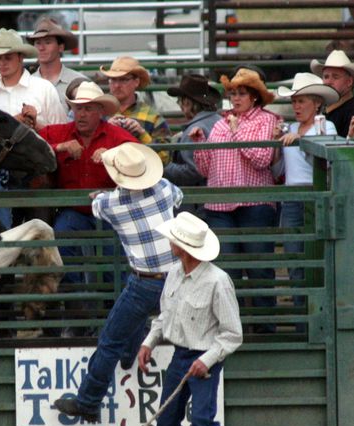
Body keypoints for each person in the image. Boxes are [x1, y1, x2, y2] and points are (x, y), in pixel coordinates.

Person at [53, 142, 182, 420]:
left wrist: (104, 193)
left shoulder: (112, 203)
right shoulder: (163, 189)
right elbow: (178, 196)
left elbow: (97, 205)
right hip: (176, 279)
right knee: (132, 321)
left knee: (110, 339)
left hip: (144, 282)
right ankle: (130, 353)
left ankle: (88, 401)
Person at [138, 211, 242, 426]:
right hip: (183, 354)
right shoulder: (174, 273)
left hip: (204, 358)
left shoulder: (218, 282)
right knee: (168, 422)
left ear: (182, 246)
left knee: (202, 422)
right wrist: (149, 342)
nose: (169, 241)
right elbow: (164, 317)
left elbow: (233, 334)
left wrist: (207, 360)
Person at [190, 67, 282, 333]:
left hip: (255, 204)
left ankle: (265, 331)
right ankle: (232, 331)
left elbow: (262, 159)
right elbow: (207, 170)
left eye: (242, 93)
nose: (236, 98)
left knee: (259, 271)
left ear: (254, 97)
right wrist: (200, 146)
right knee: (227, 274)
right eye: (233, 93)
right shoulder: (220, 123)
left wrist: (237, 132)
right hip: (219, 206)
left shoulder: (267, 120)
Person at [38, 81, 138, 293]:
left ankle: (112, 309)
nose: (81, 114)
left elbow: (141, 159)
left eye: (88, 109)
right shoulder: (59, 134)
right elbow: (33, 146)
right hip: (75, 210)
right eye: (78, 108)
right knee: (62, 241)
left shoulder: (117, 137)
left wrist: (113, 156)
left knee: (116, 260)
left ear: (100, 111)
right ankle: (79, 305)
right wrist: (59, 147)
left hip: (111, 208)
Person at [272, 73, 338, 331]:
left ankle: (316, 325)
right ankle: (303, 325)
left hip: (314, 197)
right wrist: (277, 147)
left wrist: (304, 142)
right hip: (292, 198)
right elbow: (278, 170)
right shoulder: (289, 130)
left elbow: (328, 163)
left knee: (317, 259)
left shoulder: (326, 128)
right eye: (295, 102)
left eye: (302, 101)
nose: (296, 107)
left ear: (317, 103)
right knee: (295, 261)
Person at [0, 28, 67, 130]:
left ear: (21, 57)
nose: (2, 63)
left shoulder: (45, 89)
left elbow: (61, 133)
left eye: (8, 57)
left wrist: (35, 125)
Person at [164, 74, 222, 215]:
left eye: (180, 101)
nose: (180, 105)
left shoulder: (194, 130)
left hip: (199, 202)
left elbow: (193, 171)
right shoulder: (220, 121)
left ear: (188, 103)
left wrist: (164, 168)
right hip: (218, 197)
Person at [100, 56, 171, 163]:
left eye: (123, 79)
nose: (117, 85)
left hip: (139, 175)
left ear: (136, 82)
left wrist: (141, 133)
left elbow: (165, 159)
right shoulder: (97, 112)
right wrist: (105, 128)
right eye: (113, 79)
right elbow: (84, 148)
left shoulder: (153, 117)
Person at [26, 17, 87, 113]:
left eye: (48, 42)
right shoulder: (26, 84)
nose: (41, 48)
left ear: (61, 47)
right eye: (38, 43)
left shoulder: (81, 83)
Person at [310, 50, 354, 137]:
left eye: (335, 77)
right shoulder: (327, 108)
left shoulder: (351, 110)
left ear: (349, 81)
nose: (329, 82)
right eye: (326, 77)